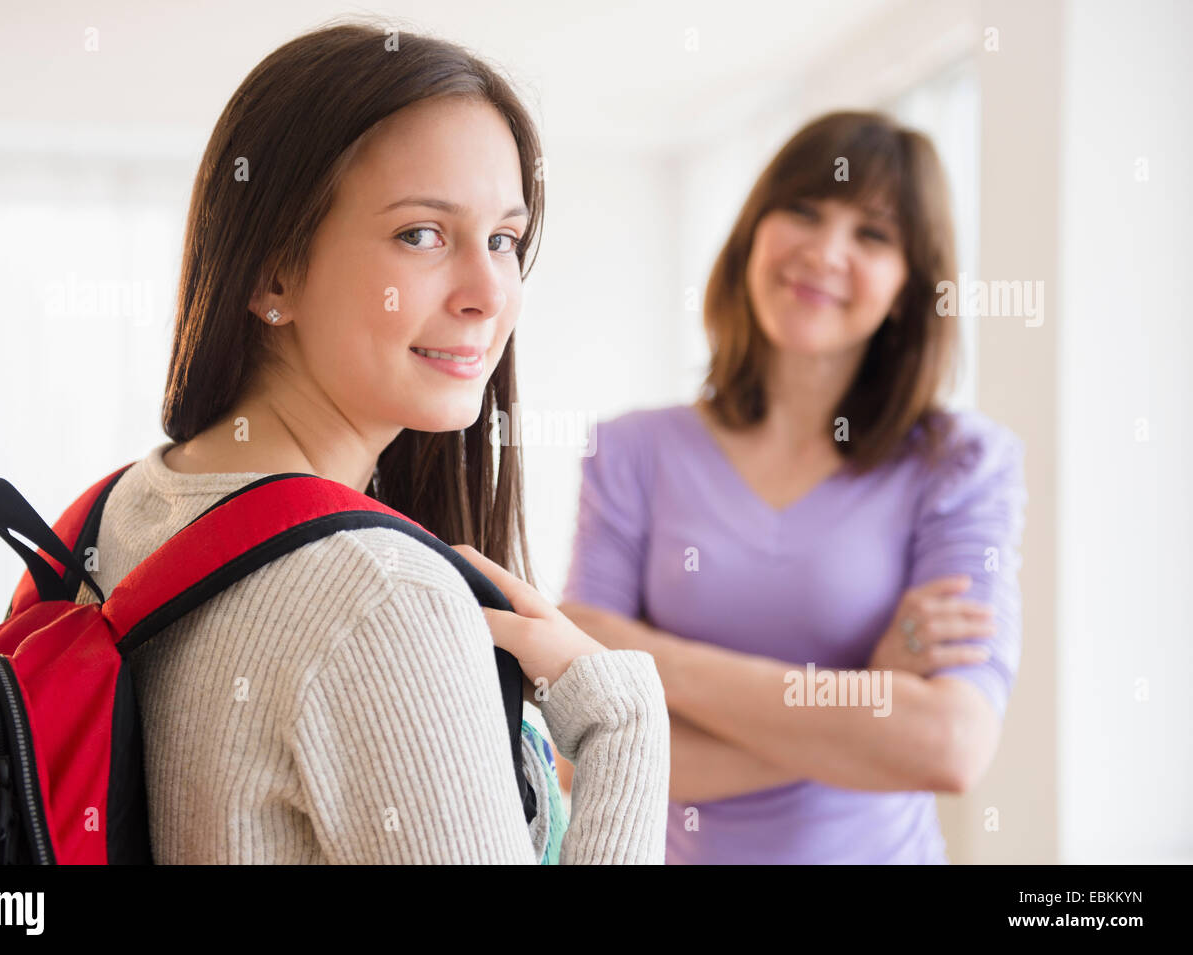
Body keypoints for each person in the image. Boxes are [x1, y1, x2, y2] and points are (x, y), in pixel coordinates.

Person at [75, 20, 669, 864]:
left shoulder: (127, 506)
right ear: (273, 271)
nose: (488, 292)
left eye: (503, 238)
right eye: (421, 234)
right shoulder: (382, 595)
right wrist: (625, 723)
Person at [558, 111, 1027, 864]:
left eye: (872, 235)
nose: (825, 251)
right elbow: (577, 752)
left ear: (910, 286)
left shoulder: (963, 462)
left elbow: (950, 744)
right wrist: (861, 695)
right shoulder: (631, 450)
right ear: (752, 235)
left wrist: (644, 660)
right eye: (803, 211)